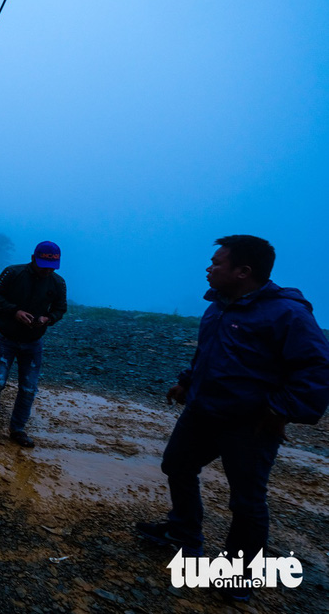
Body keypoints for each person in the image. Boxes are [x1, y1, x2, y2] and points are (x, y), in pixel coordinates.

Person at [136, 235, 329, 597]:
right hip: (203, 412)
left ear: (243, 272)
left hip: (250, 424)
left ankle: (239, 576)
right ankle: (183, 532)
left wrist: (280, 410)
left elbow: (317, 369)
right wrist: (187, 382)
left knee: (247, 500)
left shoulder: (287, 313)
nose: (209, 268)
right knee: (176, 465)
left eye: (217, 263)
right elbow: (210, 353)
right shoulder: (219, 306)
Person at [0, 240, 67, 448]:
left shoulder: (58, 282)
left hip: (33, 341)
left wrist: (48, 318)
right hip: (6, 337)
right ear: (34, 258)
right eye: (43, 265)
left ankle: (17, 428)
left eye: (51, 267)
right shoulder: (12, 273)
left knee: (28, 388)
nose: (47, 271)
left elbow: (61, 308)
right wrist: (14, 311)